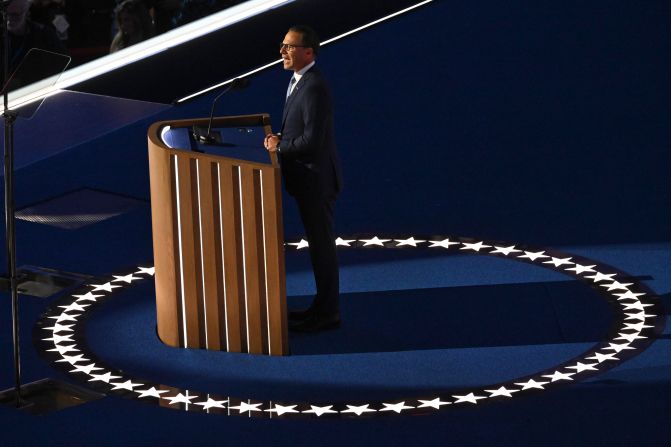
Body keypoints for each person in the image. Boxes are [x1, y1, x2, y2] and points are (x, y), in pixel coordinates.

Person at [264, 25, 343, 333]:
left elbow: (312, 140)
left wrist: (279, 146)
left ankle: (328, 313)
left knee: (322, 248)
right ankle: (321, 307)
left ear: (308, 52)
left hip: (316, 181)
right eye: (283, 45)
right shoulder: (300, 80)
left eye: (290, 47)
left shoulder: (314, 86)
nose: (283, 52)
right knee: (318, 247)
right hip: (307, 179)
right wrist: (285, 136)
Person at [5, 0, 67, 74]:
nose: (8, 19)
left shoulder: (44, 33)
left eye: (15, 15)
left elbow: (63, 62)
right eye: (5, 14)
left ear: (26, 12)